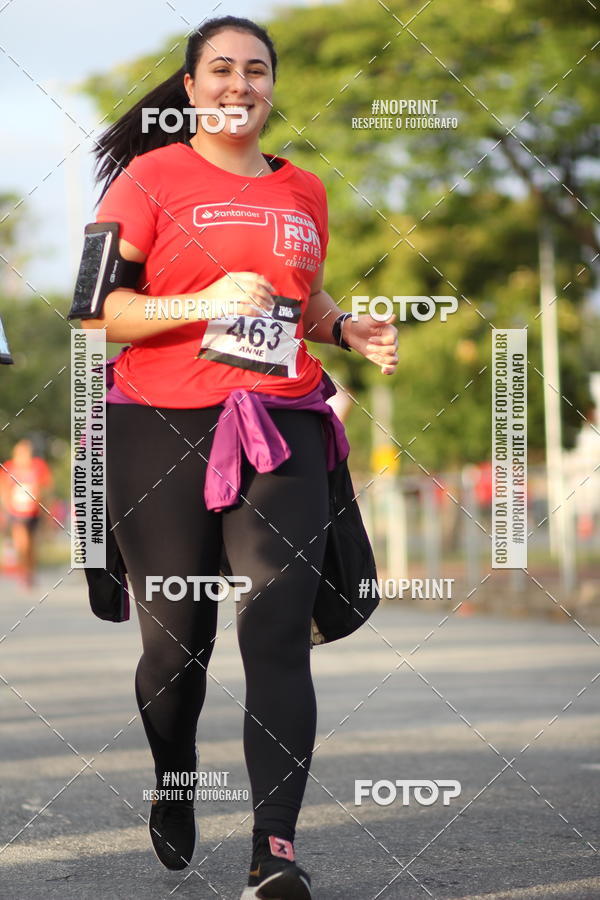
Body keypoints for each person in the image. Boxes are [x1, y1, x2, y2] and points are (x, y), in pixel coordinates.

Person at [81, 15, 398, 899]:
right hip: (162, 422)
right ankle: (175, 778)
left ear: (271, 87)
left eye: (256, 70)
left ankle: (274, 851)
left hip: (280, 420)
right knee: (178, 648)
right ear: (190, 89)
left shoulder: (305, 190)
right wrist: (202, 300)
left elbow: (297, 294)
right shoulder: (150, 179)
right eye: (220, 69)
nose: (239, 84)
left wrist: (341, 327)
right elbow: (95, 312)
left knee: (274, 627)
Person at [0, 438, 53, 587]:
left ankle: (30, 571)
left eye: (27, 452)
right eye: (21, 452)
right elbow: (3, 490)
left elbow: (46, 488)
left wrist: (46, 511)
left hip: (34, 512)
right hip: (16, 512)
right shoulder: (9, 467)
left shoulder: (38, 466)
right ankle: (23, 573)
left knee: (32, 545)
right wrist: (5, 509)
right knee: (22, 543)